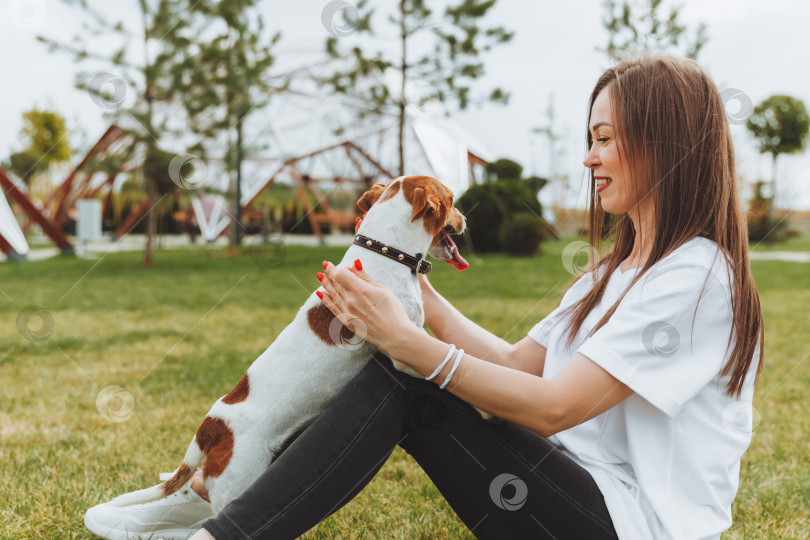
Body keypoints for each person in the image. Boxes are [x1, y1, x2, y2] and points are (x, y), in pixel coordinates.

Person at [85, 53, 764, 540]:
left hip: (627, 524)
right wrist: (408, 285)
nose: (588, 158)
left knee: (406, 378)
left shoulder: (696, 277)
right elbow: (522, 365)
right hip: (572, 490)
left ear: (667, 143)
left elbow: (557, 406)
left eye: (605, 139)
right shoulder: (617, 268)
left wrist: (407, 339)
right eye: (589, 138)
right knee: (403, 374)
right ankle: (217, 517)